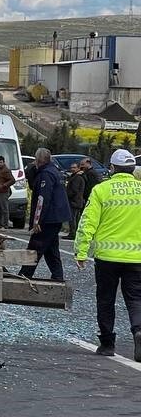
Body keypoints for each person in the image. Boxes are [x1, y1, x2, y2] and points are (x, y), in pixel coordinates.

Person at [74, 149, 141, 359]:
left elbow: (87, 222)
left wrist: (81, 251)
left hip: (107, 257)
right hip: (136, 258)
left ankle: (107, 344)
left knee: (105, 299)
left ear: (112, 168)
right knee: (136, 299)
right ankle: (138, 330)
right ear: (132, 169)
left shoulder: (102, 190)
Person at [19, 148, 69, 282]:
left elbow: (42, 199)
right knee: (51, 249)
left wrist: (37, 221)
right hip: (56, 217)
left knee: (35, 246)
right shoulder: (55, 172)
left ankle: (24, 275)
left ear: (38, 160)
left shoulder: (45, 174)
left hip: (48, 218)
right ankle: (57, 276)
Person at [0, 156, 16, 229]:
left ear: (4, 162)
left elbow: (12, 180)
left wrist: (4, 185)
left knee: (4, 209)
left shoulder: (6, 170)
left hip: (3, 192)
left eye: (1, 162)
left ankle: (5, 225)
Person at [65, 161, 87, 239]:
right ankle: (75, 233)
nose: (72, 169)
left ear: (78, 168)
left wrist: (67, 195)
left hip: (75, 201)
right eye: (71, 167)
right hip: (77, 201)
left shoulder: (77, 178)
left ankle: (73, 234)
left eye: (74, 167)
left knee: (73, 218)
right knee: (75, 218)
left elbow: (74, 190)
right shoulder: (75, 176)